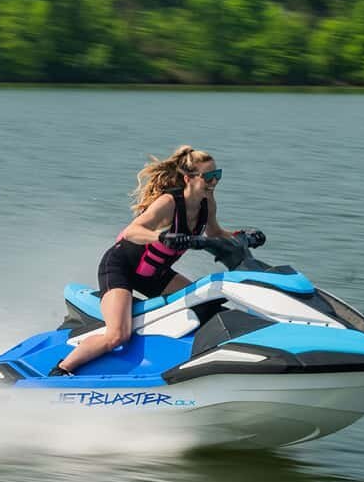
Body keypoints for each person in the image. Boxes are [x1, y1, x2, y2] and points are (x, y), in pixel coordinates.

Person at [51, 145, 234, 376]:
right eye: (208, 176)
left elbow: (215, 233)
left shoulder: (207, 203)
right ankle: (62, 369)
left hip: (154, 273)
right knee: (118, 335)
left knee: (208, 304)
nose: (214, 181)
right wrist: (161, 236)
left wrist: (243, 236)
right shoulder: (168, 203)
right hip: (121, 267)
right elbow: (131, 231)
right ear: (188, 178)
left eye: (217, 175)